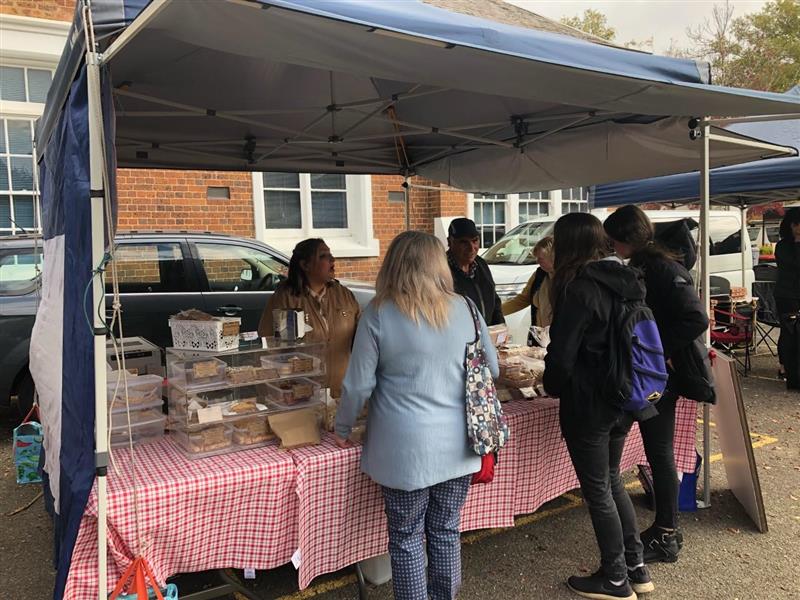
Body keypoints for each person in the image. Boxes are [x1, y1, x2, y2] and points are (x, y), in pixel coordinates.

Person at [334, 231, 499, 600]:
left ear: (393, 264)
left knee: (406, 537)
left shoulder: (379, 311)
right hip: (460, 445)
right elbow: (493, 368)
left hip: (403, 451)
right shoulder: (467, 308)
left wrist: (342, 427)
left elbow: (358, 385)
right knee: (446, 530)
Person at [543, 213, 653, 600]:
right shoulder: (626, 281)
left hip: (589, 404)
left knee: (599, 490)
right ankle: (635, 566)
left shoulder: (579, 288)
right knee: (610, 481)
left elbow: (561, 355)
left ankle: (615, 578)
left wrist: (550, 386)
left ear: (569, 244)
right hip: (623, 398)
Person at [604, 205, 711, 564]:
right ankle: (666, 529)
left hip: (660, 377)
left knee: (659, 453)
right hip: (656, 374)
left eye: (612, 240)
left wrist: (657, 349)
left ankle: (667, 532)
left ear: (622, 238)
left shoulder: (662, 268)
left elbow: (696, 317)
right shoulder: (649, 263)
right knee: (657, 452)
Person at [258, 238, 360, 397]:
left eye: (331, 254)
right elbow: (276, 350)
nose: (332, 259)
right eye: (323, 256)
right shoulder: (287, 298)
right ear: (305, 265)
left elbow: (362, 341)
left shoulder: (344, 295)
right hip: (304, 394)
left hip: (343, 393)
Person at [447, 217, 505, 326]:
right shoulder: (441, 269)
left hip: (487, 336)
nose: (471, 248)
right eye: (464, 242)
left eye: (475, 241)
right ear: (450, 242)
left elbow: (495, 300)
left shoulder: (481, 264)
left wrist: (500, 327)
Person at [501, 235, 555, 327]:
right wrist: (496, 312)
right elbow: (522, 300)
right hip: (541, 336)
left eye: (540, 258)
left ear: (552, 257)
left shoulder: (568, 280)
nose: (537, 261)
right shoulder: (538, 275)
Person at [774, 207, 800, 390]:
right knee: (789, 332)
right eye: (797, 224)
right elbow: (793, 266)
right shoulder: (782, 246)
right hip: (787, 295)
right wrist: (798, 242)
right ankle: (785, 366)